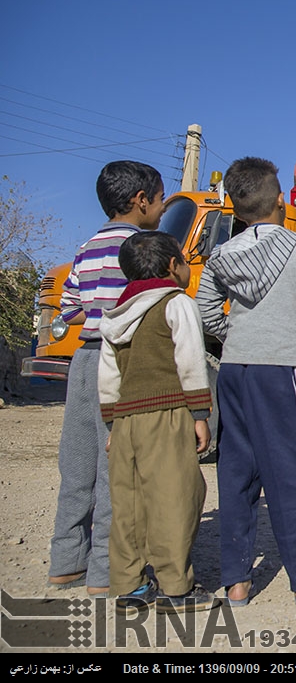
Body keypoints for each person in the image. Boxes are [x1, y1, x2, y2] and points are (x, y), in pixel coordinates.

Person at [197, 157, 296, 606]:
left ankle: (237, 583)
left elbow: (206, 312)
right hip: (280, 370)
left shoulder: (221, 256)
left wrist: (238, 336)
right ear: (282, 200)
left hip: (233, 371)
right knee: (293, 474)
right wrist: (294, 336)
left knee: (236, 473)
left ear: (236, 207)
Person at [48, 161, 165, 597]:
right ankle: (107, 569)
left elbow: (70, 310)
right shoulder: (143, 249)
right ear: (141, 202)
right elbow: (149, 307)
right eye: (159, 198)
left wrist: (96, 311)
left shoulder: (85, 247)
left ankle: (65, 562)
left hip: (84, 360)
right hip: (122, 361)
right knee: (118, 468)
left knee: (77, 464)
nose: (162, 204)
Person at [98, 232, 213, 611]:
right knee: (174, 496)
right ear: (172, 266)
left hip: (126, 419)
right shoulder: (177, 302)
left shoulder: (115, 314)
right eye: (183, 260)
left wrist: (113, 424)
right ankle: (175, 587)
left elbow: (108, 375)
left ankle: (129, 585)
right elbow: (191, 359)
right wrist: (199, 414)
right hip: (167, 414)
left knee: (128, 503)